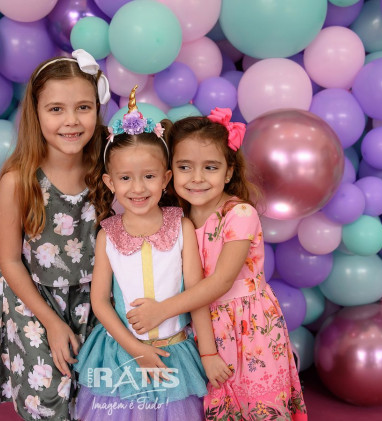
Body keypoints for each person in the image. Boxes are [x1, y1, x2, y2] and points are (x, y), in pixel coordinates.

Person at [126, 108, 308, 420]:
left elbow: (221, 282)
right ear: (170, 171)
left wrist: (161, 310)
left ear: (228, 172)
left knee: (257, 402)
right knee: (217, 403)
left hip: (248, 327)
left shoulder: (239, 215)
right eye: (185, 167)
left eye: (210, 167)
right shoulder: (176, 219)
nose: (197, 178)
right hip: (201, 325)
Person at [73, 89, 232, 420]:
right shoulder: (107, 235)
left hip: (174, 350)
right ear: (110, 182)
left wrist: (208, 353)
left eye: (149, 176)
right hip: (123, 354)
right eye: (125, 178)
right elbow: (100, 302)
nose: (138, 188)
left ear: (165, 179)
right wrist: (136, 350)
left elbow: (196, 295)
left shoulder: (182, 226)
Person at [0, 49, 111, 420]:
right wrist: (52, 323)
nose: (71, 121)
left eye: (83, 107)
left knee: (95, 395)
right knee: (48, 398)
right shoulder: (19, 182)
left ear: (97, 109)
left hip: (93, 299)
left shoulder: (107, 169)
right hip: (34, 302)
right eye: (56, 109)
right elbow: (9, 261)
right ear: (35, 114)